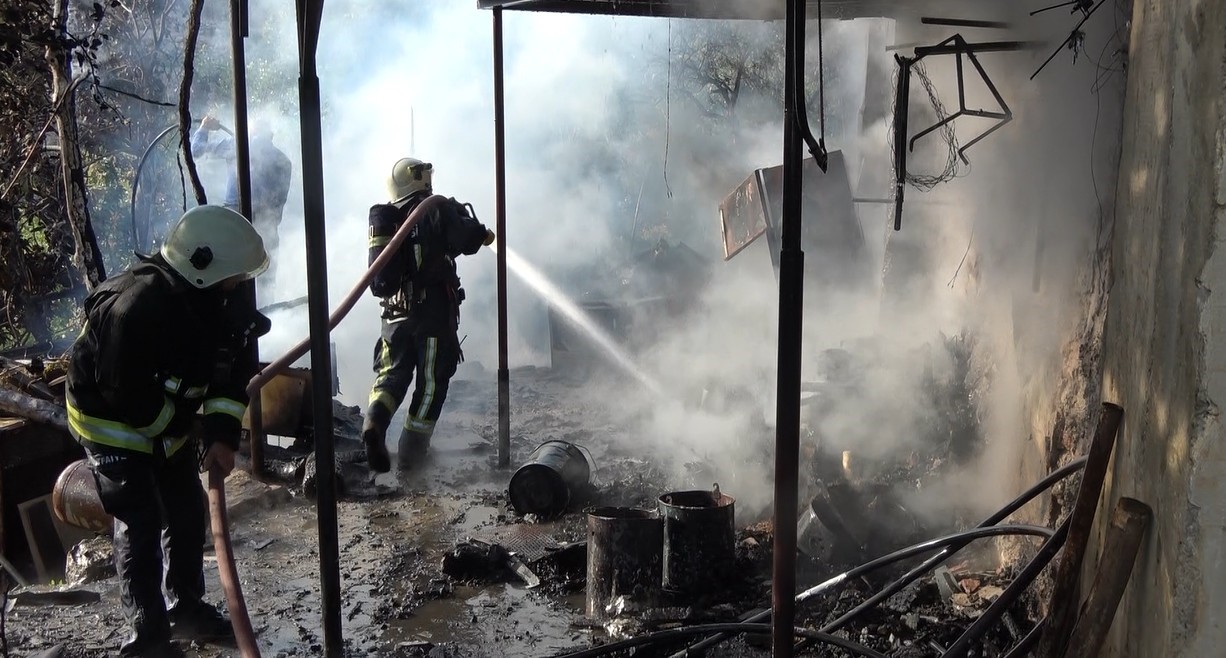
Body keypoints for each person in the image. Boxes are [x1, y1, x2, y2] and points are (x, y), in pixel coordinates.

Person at [65, 205, 272, 656]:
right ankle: (148, 637)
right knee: (139, 519)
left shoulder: (216, 300)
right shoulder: (134, 310)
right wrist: (180, 430)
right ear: (203, 267)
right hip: (112, 421)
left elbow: (231, 374)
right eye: (234, 277)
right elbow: (128, 395)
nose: (239, 286)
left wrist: (219, 434)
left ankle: (185, 607)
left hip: (167, 418)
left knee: (185, 507)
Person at [361, 157, 495, 472]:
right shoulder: (436, 207)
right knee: (431, 382)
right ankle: (412, 450)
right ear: (420, 180)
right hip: (432, 316)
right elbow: (466, 239)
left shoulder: (388, 219)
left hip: (394, 317)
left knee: (391, 377)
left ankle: (374, 423)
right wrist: (482, 233)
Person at [191, 114, 292, 293]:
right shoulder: (284, 162)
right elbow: (278, 203)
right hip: (267, 234)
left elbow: (196, 150)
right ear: (270, 135)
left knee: (228, 284)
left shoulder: (237, 146)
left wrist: (205, 127)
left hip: (234, 227)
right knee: (264, 289)